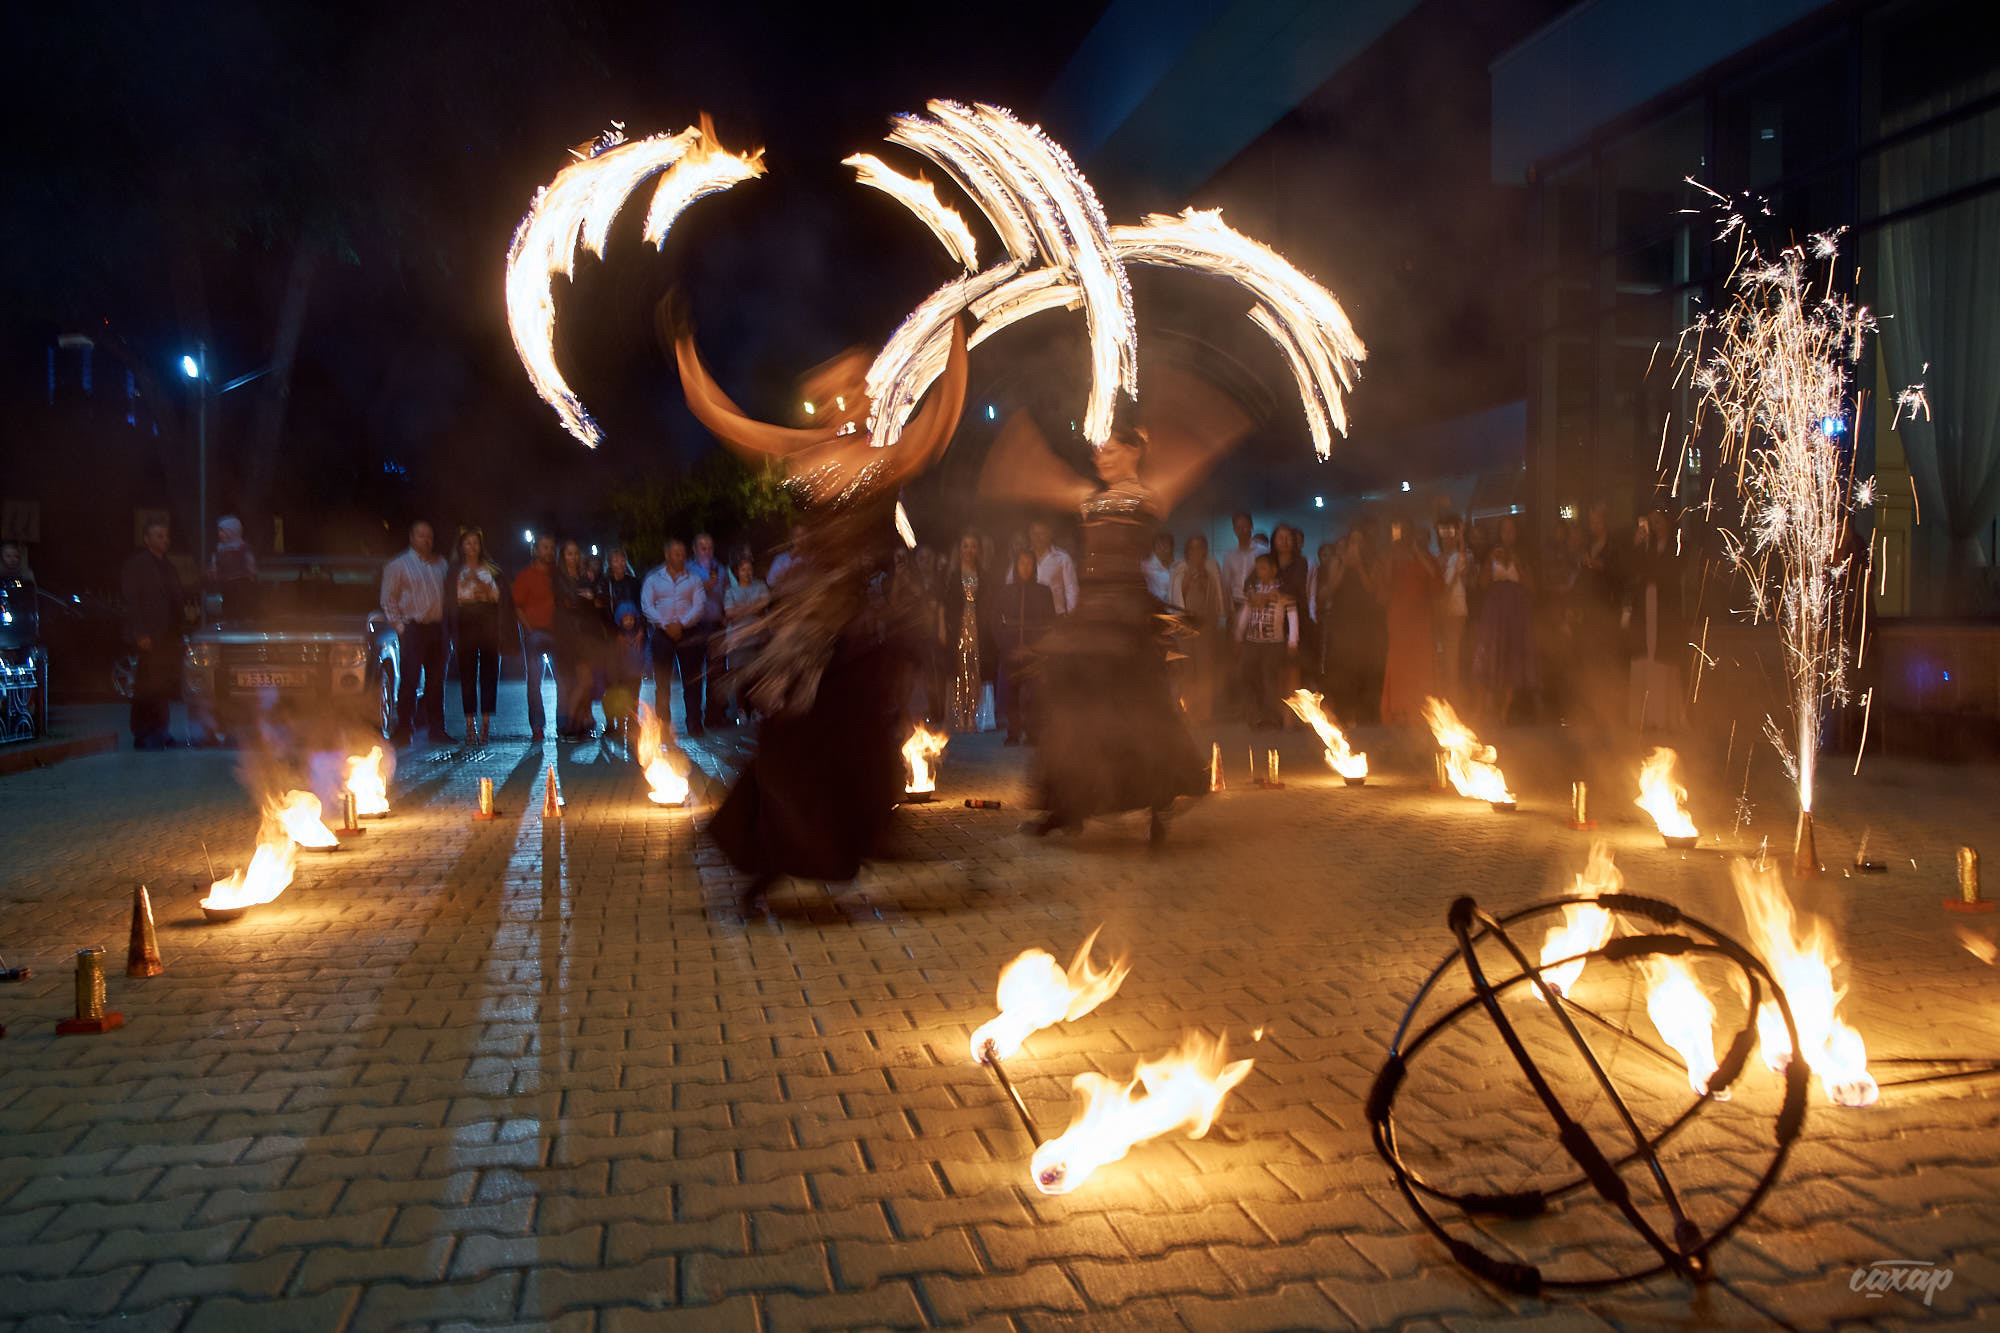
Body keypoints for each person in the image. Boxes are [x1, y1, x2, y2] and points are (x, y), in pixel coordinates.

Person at [667, 293, 968, 911]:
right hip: (806, 633)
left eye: (858, 384)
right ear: (824, 399)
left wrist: (959, 337)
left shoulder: (882, 458)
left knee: (855, 747)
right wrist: (685, 352)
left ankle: (840, 846)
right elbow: (716, 414)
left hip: (861, 632)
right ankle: (772, 857)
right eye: (840, 387)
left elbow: (937, 428)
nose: (850, 396)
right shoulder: (802, 451)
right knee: (787, 747)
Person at [979, 375, 1248, 843]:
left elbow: (1190, 456)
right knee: (1070, 705)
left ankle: (1158, 803)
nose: (1099, 456)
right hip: (1090, 616)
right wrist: (1019, 449)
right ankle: (1068, 806)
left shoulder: (1148, 495)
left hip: (1126, 615)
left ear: (1133, 451)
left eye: (1108, 449)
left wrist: (1209, 423)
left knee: (1138, 708)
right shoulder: (1089, 499)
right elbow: (1046, 479)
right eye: (1097, 451)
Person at [381, 520, 452, 745]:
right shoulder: (398, 565)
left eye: (429, 536)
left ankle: (437, 730)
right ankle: (404, 730)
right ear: (412, 538)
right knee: (410, 681)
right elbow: (388, 599)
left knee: (436, 683)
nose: (426, 540)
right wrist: (401, 628)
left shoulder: (441, 564)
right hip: (413, 627)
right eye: (421, 535)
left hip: (437, 629)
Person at [443, 526, 508, 748]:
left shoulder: (491, 569)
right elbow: (450, 600)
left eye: (476, 543)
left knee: (489, 674)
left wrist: (480, 582)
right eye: (468, 543)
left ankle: (487, 723)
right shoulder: (454, 570)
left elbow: (499, 597)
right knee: (467, 676)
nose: (472, 547)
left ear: (481, 546)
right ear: (461, 546)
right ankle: (470, 724)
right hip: (465, 621)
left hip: (487, 620)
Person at [120, 520, 183, 748]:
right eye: (158, 536)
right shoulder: (137, 565)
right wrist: (140, 633)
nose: (164, 540)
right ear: (147, 539)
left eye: (165, 536)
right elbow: (132, 601)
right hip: (148, 635)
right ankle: (142, 733)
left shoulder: (169, 567)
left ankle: (161, 731)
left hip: (167, 637)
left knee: (163, 685)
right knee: (146, 685)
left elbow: (176, 600)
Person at [1471, 514, 1538, 724]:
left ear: (1516, 533)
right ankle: (1483, 707)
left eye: (1511, 530)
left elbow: (1532, 587)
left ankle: (1505, 711)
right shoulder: (1492, 554)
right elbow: (1481, 584)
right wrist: (1491, 560)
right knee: (1489, 653)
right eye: (1504, 530)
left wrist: (1518, 564)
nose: (1508, 534)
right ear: (1499, 533)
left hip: (1516, 610)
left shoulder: (1524, 555)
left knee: (1511, 656)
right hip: (1494, 610)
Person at [1627, 509, 1687, 731]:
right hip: (1646, 611)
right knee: (1646, 660)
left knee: (1663, 663)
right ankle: (1646, 716)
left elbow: (1670, 573)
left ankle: (1663, 716)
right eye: (1653, 523)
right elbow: (1635, 571)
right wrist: (1637, 545)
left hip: (1665, 614)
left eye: (1659, 522)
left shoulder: (1678, 547)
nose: (1656, 527)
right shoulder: (1647, 548)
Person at [641, 539, 707, 735]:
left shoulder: (693, 579)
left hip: (688, 633)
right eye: (676, 554)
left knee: (692, 682)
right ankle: (663, 725)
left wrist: (682, 623)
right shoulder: (654, 579)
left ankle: (694, 723)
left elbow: (699, 605)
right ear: (667, 555)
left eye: (683, 554)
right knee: (662, 684)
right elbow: (647, 605)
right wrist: (665, 624)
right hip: (663, 634)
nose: (681, 558)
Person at [1379, 515, 1441, 726]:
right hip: (1398, 617)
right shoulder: (1393, 557)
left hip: (1421, 617)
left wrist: (1417, 554)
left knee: (1421, 662)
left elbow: (1437, 583)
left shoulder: (1428, 558)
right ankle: (1399, 711)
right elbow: (1384, 584)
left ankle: (1421, 709)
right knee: (1399, 663)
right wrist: (1393, 556)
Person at [994, 548, 1055, 744]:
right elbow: (994, 621)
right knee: (1011, 692)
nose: (1026, 567)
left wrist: (1037, 647)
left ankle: (1033, 733)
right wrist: (1005, 644)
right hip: (1010, 647)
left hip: (1034, 649)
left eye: (1030, 563)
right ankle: (1013, 732)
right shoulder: (1005, 592)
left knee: (1034, 694)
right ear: (1016, 565)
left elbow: (1050, 622)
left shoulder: (1044, 592)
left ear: (1034, 567)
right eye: (1022, 563)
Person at [1324, 529, 1383, 723]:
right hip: (1342, 623)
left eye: (1360, 541)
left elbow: (1373, 592)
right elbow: (1330, 590)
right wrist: (1344, 566)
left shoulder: (1372, 563)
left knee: (1365, 670)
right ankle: (1343, 716)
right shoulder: (1337, 562)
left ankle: (1366, 717)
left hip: (1365, 623)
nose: (1356, 545)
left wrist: (1358, 567)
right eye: (1353, 541)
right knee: (1341, 671)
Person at [1236, 552, 1299, 729]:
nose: (1260, 572)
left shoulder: (1282, 592)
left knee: (1269, 680)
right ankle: (1255, 715)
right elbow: (1246, 612)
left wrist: (1293, 641)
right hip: (1252, 642)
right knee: (1248, 676)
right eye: (1258, 568)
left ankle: (1273, 717)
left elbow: (1292, 616)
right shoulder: (1254, 591)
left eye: (1263, 568)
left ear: (1273, 570)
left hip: (1273, 643)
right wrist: (1239, 633)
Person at [943, 532, 996, 733]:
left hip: (978, 627)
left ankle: (974, 716)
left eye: (973, 546)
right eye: (966, 546)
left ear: (978, 549)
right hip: (958, 626)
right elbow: (947, 603)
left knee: (975, 671)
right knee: (959, 671)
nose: (969, 550)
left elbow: (988, 602)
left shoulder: (983, 574)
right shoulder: (954, 574)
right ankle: (959, 717)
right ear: (960, 549)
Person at [1171, 532, 1225, 723]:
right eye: (1192, 547)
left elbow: (1215, 597)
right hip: (1184, 626)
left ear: (1204, 550)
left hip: (1206, 625)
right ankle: (1190, 710)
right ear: (1187, 551)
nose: (1196, 551)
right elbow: (1177, 597)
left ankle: (1205, 712)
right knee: (1187, 669)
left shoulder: (1211, 568)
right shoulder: (1179, 569)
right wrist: (1188, 579)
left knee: (1205, 669)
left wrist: (1202, 578)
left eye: (1200, 547)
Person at [554, 540, 606, 739]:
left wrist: (589, 596)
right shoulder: (560, 578)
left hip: (587, 635)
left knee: (585, 681)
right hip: (571, 636)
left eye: (576, 553)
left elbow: (596, 600)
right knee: (584, 681)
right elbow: (567, 601)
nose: (573, 557)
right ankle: (570, 722)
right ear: (563, 556)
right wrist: (584, 597)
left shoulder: (585, 576)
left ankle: (577, 723)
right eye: (569, 553)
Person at [511, 534, 558, 739]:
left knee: (565, 679)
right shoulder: (526, 576)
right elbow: (518, 606)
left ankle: (565, 723)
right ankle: (537, 726)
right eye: (544, 547)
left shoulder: (558, 576)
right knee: (534, 681)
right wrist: (529, 629)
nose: (548, 551)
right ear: (536, 550)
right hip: (536, 633)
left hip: (557, 633)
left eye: (551, 548)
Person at [721, 553, 772, 724]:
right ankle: (742, 711)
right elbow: (730, 613)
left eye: (749, 569)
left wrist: (741, 610)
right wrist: (753, 609)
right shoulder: (730, 591)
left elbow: (764, 603)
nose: (747, 573)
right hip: (739, 641)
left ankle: (758, 709)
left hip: (759, 638)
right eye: (743, 570)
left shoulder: (760, 586)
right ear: (737, 572)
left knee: (758, 676)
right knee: (741, 677)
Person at [687, 532, 727, 728]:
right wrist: (702, 587)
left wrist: (727, 613)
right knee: (694, 675)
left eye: (710, 547)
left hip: (716, 625)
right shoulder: (687, 570)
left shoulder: (720, 568)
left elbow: (726, 593)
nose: (707, 551)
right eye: (702, 547)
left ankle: (714, 717)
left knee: (716, 673)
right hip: (695, 627)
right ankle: (693, 721)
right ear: (694, 549)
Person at [1433, 514, 1470, 702]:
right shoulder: (1438, 558)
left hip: (1456, 608)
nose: (1447, 538)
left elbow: (1462, 571)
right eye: (1443, 535)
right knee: (1444, 654)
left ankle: (1454, 697)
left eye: (1451, 534)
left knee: (1453, 653)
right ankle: (1446, 695)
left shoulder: (1460, 556)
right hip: (1442, 610)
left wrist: (1461, 538)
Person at [1009, 519, 1078, 616]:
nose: (1037, 537)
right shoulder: (1022, 558)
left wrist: (1069, 613)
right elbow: (1009, 583)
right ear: (1030, 535)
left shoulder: (1062, 559)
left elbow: (1071, 588)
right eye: (1034, 533)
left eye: (1041, 533)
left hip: (1055, 615)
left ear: (1050, 534)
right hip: (1028, 616)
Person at [605, 601, 649, 740]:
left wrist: (646, 669)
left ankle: (632, 723)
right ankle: (618, 724)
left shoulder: (641, 637)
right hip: (621, 675)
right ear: (620, 620)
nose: (629, 622)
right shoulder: (617, 638)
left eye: (631, 619)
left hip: (636, 675)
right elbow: (613, 656)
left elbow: (648, 653)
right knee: (620, 699)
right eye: (626, 619)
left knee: (634, 699)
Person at [207, 515, 258, 620]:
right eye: (219, 531)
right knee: (228, 606)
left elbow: (250, 563)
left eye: (223, 531)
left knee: (242, 607)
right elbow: (215, 563)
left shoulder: (241, 547)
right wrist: (214, 572)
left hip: (242, 584)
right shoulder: (219, 549)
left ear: (232, 531)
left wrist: (251, 574)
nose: (220, 534)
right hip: (226, 584)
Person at [767, 523, 809, 591]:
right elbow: (771, 582)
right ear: (793, 539)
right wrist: (791, 558)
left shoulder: (813, 557)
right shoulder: (780, 559)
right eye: (798, 536)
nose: (802, 538)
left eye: (804, 534)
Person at [1141, 532, 1175, 602]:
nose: (1163, 549)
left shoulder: (1175, 568)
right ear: (1155, 546)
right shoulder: (1146, 566)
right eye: (1160, 545)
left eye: (1166, 546)